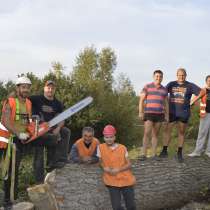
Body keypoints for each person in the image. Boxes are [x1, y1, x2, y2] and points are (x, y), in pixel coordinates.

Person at [29, 80, 71, 183]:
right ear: (44, 88)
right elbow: (23, 98)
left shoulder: (58, 103)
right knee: (39, 154)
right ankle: (39, 181)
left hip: (51, 128)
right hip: (38, 129)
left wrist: (57, 129)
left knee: (65, 131)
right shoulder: (36, 99)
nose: (50, 90)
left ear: (55, 90)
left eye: (52, 88)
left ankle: (59, 160)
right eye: (48, 87)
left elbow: (61, 118)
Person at [0, 76, 32, 209]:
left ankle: (9, 199)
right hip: (4, 141)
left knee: (13, 171)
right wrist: (19, 133)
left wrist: (32, 132)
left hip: (18, 141)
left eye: (28, 87)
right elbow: (5, 121)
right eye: (23, 87)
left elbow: (27, 122)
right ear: (18, 88)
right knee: (6, 170)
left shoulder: (29, 103)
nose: (26, 89)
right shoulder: (10, 102)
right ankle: (8, 200)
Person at [159, 68, 201, 162]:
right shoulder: (171, 84)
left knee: (181, 132)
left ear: (185, 75)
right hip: (172, 112)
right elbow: (163, 92)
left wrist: (193, 100)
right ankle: (164, 151)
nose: (181, 77)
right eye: (179, 75)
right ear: (176, 75)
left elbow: (202, 92)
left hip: (184, 113)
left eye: (183, 75)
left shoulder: (190, 85)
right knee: (167, 131)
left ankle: (179, 153)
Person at [97, 125, 136, 210]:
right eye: (107, 137)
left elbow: (129, 164)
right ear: (104, 138)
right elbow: (100, 162)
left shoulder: (122, 148)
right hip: (111, 181)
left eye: (111, 137)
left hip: (126, 179)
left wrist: (119, 169)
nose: (109, 139)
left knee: (131, 206)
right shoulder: (100, 147)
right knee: (116, 207)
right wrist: (104, 168)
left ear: (114, 137)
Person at [139, 70, 168, 160]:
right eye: (157, 76)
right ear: (153, 76)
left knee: (155, 134)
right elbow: (141, 100)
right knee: (146, 133)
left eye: (160, 76)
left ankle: (154, 155)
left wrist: (167, 115)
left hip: (160, 114)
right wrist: (141, 112)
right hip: (149, 113)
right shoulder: (147, 86)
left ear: (162, 78)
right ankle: (143, 154)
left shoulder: (164, 89)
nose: (158, 78)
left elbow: (166, 103)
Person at [188, 75, 210, 157]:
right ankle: (197, 151)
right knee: (202, 133)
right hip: (205, 114)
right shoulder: (204, 90)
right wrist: (189, 104)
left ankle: (208, 151)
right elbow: (197, 97)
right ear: (206, 81)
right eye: (208, 80)